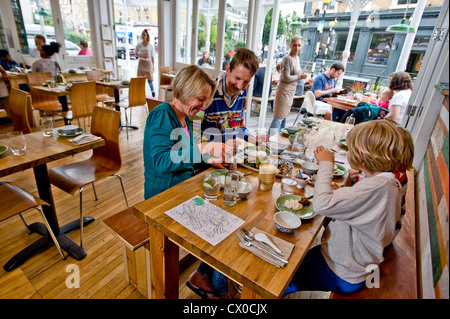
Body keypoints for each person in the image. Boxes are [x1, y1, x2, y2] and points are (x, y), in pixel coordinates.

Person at [283, 120, 414, 296]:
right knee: (293, 258)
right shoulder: (387, 183)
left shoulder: (377, 188)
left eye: (351, 149)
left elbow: (321, 204)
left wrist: (326, 164)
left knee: (283, 279)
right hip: (346, 259)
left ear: (360, 155)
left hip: (342, 271)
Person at [143, 65, 231, 199]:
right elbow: (161, 162)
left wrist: (207, 159)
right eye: (200, 99)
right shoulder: (162, 114)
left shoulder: (185, 118)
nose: (203, 106)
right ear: (182, 91)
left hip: (183, 189)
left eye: (205, 100)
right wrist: (201, 148)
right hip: (163, 196)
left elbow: (184, 157)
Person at [200, 47, 268, 145]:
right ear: (228, 69)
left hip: (230, 154)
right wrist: (219, 145)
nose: (240, 86)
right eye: (237, 78)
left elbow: (239, 126)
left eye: (246, 81)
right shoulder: (208, 92)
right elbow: (193, 134)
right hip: (209, 156)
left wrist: (250, 138)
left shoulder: (243, 93)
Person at [268, 36, 307, 133]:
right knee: (278, 118)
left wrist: (301, 75)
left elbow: (295, 74)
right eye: (294, 45)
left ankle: (278, 140)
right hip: (284, 91)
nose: (297, 48)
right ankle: (268, 141)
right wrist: (299, 77)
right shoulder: (287, 58)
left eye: (299, 45)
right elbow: (286, 77)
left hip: (291, 91)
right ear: (290, 45)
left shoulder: (297, 58)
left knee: (284, 117)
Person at [135, 29, 156, 97]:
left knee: (149, 79)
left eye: (144, 34)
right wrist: (142, 56)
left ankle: (152, 91)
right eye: (142, 34)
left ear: (147, 36)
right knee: (141, 79)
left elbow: (152, 56)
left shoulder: (150, 46)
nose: (143, 36)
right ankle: (141, 93)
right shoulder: (139, 45)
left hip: (148, 63)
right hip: (141, 62)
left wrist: (153, 66)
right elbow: (136, 54)